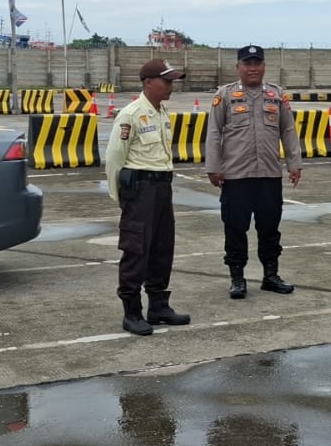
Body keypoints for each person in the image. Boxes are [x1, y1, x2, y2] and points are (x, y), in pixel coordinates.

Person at [204, 44, 301, 298]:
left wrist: (294, 164)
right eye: (247, 63)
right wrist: (213, 167)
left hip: (269, 175)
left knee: (270, 229)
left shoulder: (276, 95)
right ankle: (237, 279)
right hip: (236, 177)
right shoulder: (225, 95)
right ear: (238, 67)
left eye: (257, 63)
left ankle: (271, 276)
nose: (253, 68)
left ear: (264, 66)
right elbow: (213, 132)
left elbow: (288, 130)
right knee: (235, 229)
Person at [104, 58, 192, 336]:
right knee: (136, 249)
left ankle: (158, 306)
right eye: (166, 81)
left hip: (162, 187)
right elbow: (114, 158)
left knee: (162, 248)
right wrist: (120, 196)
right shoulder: (131, 114)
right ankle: (131, 312)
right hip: (140, 189)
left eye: (172, 81)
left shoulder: (161, 112)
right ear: (148, 82)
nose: (170, 86)